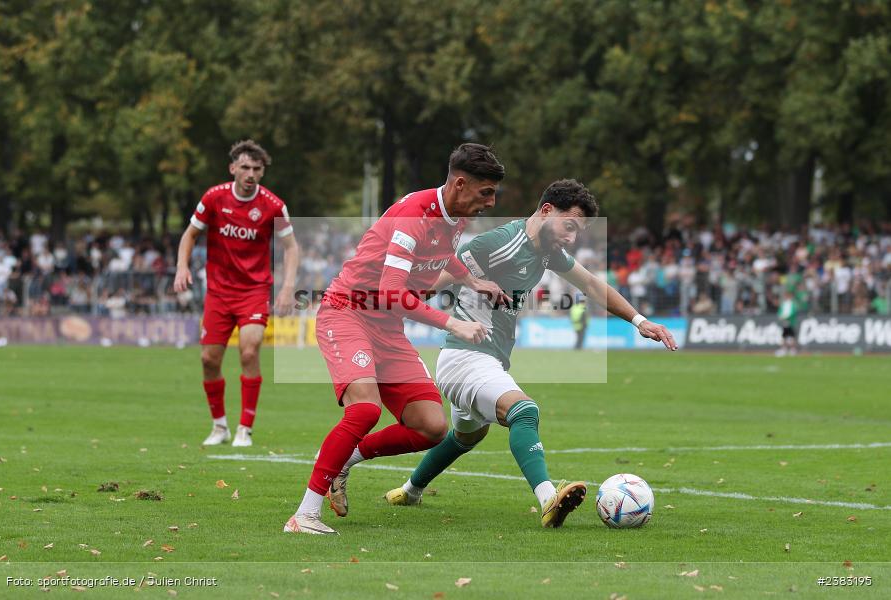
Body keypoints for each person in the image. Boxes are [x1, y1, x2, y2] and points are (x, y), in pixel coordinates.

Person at [378, 179, 678, 528]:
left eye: (577, 232)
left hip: (484, 359)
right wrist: (387, 310)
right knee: (523, 411)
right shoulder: (499, 243)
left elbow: (592, 284)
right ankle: (548, 497)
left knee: (467, 436)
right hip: (465, 357)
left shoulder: (546, 252)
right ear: (547, 211)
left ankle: (409, 490)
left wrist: (638, 320)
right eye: (569, 226)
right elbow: (430, 283)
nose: (571, 238)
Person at [284, 143, 507, 535]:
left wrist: (472, 280)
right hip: (348, 311)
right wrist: (452, 325)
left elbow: (441, 255)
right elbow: (391, 292)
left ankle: (343, 460)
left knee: (431, 426)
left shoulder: (453, 217)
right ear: (459, 184)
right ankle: (304, 515)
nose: (491, 201)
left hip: (387, 326)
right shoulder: (414, 216)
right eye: (485, 192)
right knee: (365, 410)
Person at [174, 139, 299, 447]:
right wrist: (181, 267)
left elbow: (291, 247)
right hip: (218, 292)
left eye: (257, 169)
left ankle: (245, 427)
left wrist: (286, 287)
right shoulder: (214, 198)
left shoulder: (273, 205)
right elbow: (189, 235)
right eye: (244, 167)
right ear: (232, 168)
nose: (251, 174)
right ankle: (220, 427)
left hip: (254, 291)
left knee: (249, 349)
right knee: (208, 359)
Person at [775, 289, 799, 356]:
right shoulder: (784, 304)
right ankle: (784, 349)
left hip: (791, 322)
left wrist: (786, 317)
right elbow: (780, 312)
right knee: (784, 336)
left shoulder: (792, 304)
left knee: (792, 336)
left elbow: (792, 312)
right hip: (785, 323)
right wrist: (781, 316)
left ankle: (793, 349)